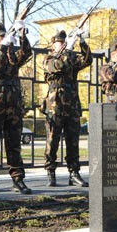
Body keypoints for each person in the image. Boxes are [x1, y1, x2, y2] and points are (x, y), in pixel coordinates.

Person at [0, 22, 33, 194]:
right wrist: (2, 47)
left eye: (5, 36)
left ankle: (17, 179)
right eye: (0, 37)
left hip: (13, 104)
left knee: (14, 144)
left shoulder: (11, 54)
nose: (3, 39)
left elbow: (26, 54)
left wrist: (22, 36)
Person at [40, 30, 92, 187]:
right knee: (53, 139)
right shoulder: (48, 58)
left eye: (64, 42)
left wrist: (82, 42)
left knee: (73, 139)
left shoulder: (71, 56)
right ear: (53, 44)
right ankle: (50, 172)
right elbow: (59, 66)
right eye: (59, 42)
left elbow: (87, 60)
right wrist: (67, 50)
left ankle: (74, 173)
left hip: (72, 102)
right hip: (54, 103)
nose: (62, 44)